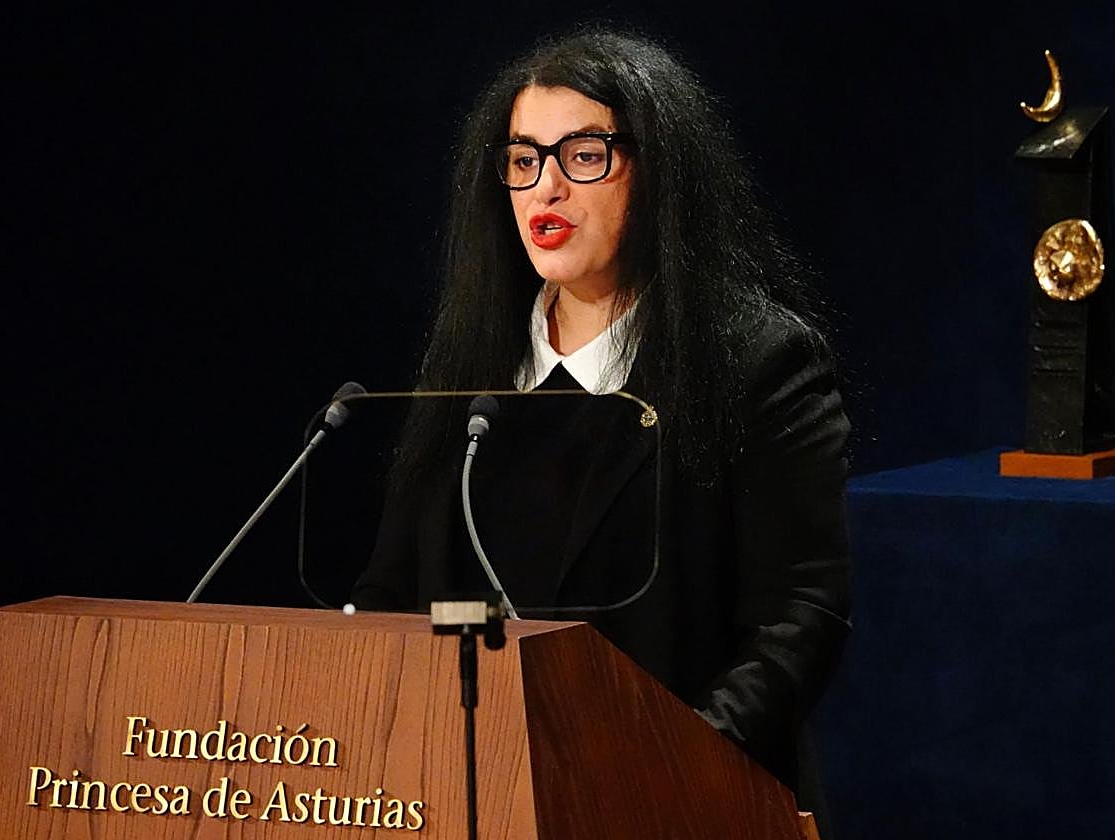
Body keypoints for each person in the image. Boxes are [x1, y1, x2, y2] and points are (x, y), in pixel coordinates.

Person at [351, 27, 850, 809]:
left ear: (657, 173)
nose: (546, 190)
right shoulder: (472, 371)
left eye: (583, 156)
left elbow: (797, 622)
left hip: (681, 801)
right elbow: (393, 599)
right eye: (524, 161)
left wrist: (665, 768)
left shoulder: (759, 361)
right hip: (472, 799)